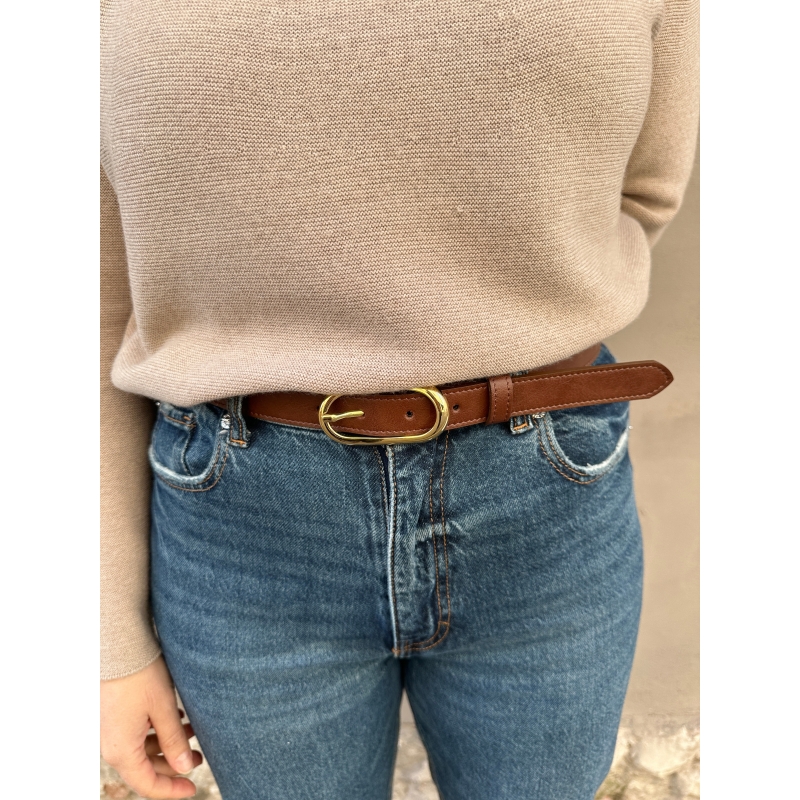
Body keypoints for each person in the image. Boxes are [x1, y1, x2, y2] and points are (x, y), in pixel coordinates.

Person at [100, 1, 699, 798]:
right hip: (242, 531)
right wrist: (106, 633)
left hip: (544, 502)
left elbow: (641, 194)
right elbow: (93, 294)